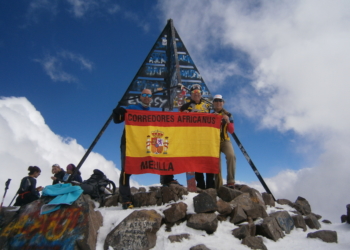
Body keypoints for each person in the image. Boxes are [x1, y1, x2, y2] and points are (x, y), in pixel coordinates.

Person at [113, 89, 178, 209]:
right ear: (140, 96)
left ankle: (167, 179)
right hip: (128, 142)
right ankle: (125, 200)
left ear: (151, 98)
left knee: (162, 155)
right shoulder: (132, 108)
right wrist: (117, 112)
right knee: (126, 169)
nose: (146, 97)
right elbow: (117, 120)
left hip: (144, 144)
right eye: (144, 94)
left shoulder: (150, 113)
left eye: (149, 95)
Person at [180, 84, 214, 189]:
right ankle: (200, 185)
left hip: (207, 137)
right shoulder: (185, 106)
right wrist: (182, 114)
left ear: (201, 94)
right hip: (193, 138)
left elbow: (216, 115)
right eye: (194, 93)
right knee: (197, 162)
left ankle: (210, 186)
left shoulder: (208, 105)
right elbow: (179, 121)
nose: (196, 95)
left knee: (209, 161)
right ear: (191, 94)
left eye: (198, 93)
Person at [212, 94, 236, 189]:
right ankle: (218, 186)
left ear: (223, 102)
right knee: (216, 162)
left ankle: (231, 181)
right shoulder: (209, 114)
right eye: (216, 101)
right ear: (213, 103)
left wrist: (228, 121)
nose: (218, 103)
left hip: (225, 140)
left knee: (231, 156)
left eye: (220, 101)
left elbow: (231, 130)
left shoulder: (229, 115)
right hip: (213, 141)